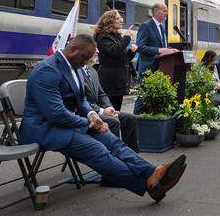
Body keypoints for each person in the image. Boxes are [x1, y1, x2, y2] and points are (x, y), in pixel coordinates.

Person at [19, 35, 186, 202]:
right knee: (98, 151)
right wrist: (90, 122)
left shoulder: (74, 66)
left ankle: (152, 173)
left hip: (68, 123)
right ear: (73, 50)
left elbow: (81, 99)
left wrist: (92, 114)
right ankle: (149, 185)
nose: (86, 63)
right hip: (45, 128)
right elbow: (56, 114)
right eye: (85, 58)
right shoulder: (47, 70)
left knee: (113, 142)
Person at [80, 59, 140, 152]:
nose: (97, 51)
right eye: (94, 48)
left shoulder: (92, 70)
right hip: (86, 113)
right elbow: (81, 100)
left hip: (100, 110)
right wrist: (102, 111)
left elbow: (101, 94)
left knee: (130, 118)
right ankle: (115, 156)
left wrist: (109, 108)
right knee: (113, 121)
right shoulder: (76, 73)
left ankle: (132, 155)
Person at [94, 9, 138, 111]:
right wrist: (127, 37)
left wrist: (131, 52)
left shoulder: (116, 36)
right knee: (110, 110)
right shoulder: (103, 37)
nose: (121, 21)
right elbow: (114, 52)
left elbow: (122, 58)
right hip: (110, 81)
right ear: (109, 21)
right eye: (118, 18)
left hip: (118, 82)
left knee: (117, 110)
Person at [135, 2, 178, 76]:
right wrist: (159, 50)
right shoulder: (146, 26)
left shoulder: (161, 27)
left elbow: (162, 46)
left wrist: (171, 50)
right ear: (156, 12)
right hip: (148, 69)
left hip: (160, 67)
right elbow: (139, 47)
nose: (167, 13)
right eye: (164, 11)